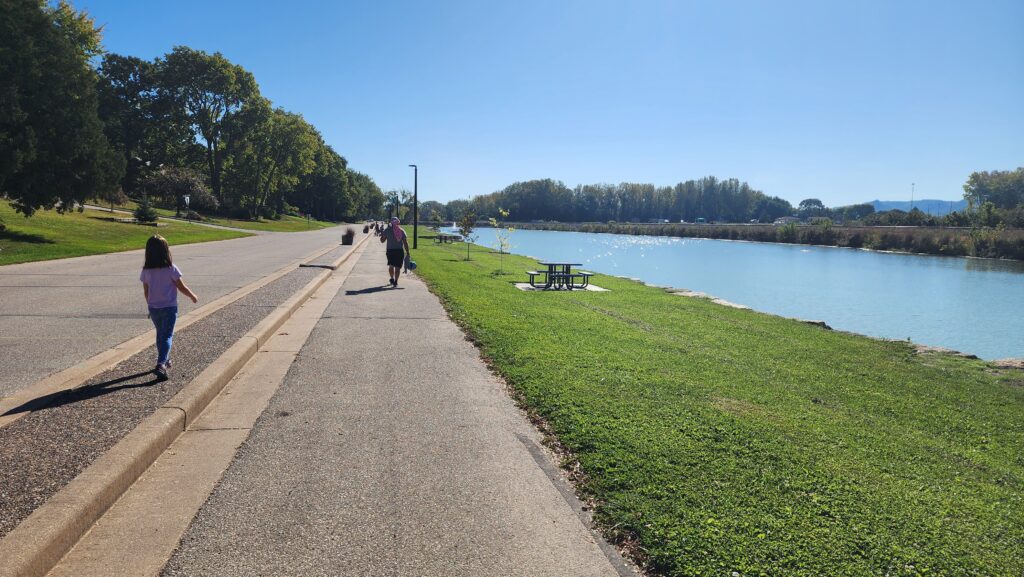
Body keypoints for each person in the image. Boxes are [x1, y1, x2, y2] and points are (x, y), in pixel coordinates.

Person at [140, 235, 198, 380]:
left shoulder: (146, 271)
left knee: (161, 334)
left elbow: (146, 291)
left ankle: (165, 359)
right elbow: (181, 287)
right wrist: (192, 296)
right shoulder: (171, 268)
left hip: (154, 308)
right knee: (167, 335)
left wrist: (150, 305)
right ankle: (161, 364)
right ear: (166, 251)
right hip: (169, 308)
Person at [380, 216, 410, 287]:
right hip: (399, 251)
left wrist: (383, 234)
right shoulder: (402, 231)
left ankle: (392, 278)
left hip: (390, 251)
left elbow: (382, 241)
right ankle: (396, 281)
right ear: (398, 223)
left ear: (391, 222)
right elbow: (405, 243)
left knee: (391, 266)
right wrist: (408, 252)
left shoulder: (387, 230)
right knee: (397, 267)